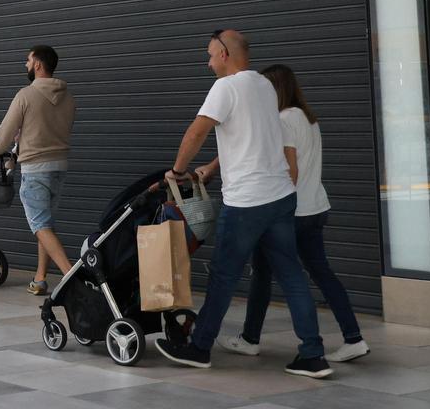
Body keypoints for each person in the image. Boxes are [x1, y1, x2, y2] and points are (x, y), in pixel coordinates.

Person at [155, 30, 331, 378]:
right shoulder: (264, 86)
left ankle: (199, 347)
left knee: (223, 275)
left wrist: (176, 171)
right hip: (280, 196)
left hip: (247, 201)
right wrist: (213, 167)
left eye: (210, 55)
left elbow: (197, 131)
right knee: (291, 275)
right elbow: (253, 138)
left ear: (224, 54)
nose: (208, 63)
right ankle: (313, 355)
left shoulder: (226, 87)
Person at [216, 64, 370, 363]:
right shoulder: (308, 118)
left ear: (275, 90)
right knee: (321, 274)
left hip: (291, 213)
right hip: (316, 208)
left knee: (265, 275)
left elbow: (291, 170)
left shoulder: (283, 120)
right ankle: (354, 338)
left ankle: (250, 338)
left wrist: (274, 206)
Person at [0, 45, 76, 295]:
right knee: (46, 224)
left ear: (38, 64)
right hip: (60, 166)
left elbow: (7, 129)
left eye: (28, 60)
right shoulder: (68, 98)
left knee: (40, 226)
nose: (25, 64)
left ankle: (72, 276)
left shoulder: (26, 95)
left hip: (35, 168)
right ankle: (40, 278)